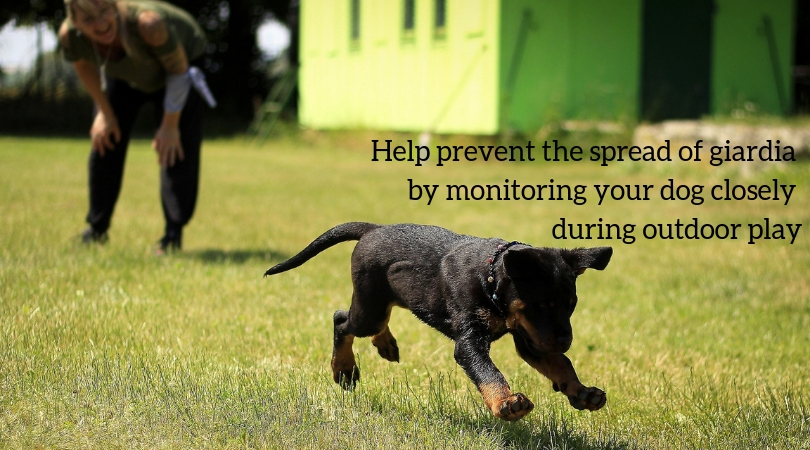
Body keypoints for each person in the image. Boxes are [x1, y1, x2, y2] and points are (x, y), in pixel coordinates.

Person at [59, 0, 216, 253]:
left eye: (104, 12)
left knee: (174, 148)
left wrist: (169, 125)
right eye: (88, 20)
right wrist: (104, 112)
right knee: (104, 139)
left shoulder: (148, 24)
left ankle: (172, 235)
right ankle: (96, 229)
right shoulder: (70, 36)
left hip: (179, 70)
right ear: (75, 22)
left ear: (115, 6)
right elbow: (83, 65)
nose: (100, 24)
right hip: (124, 75)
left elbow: (178, 70)